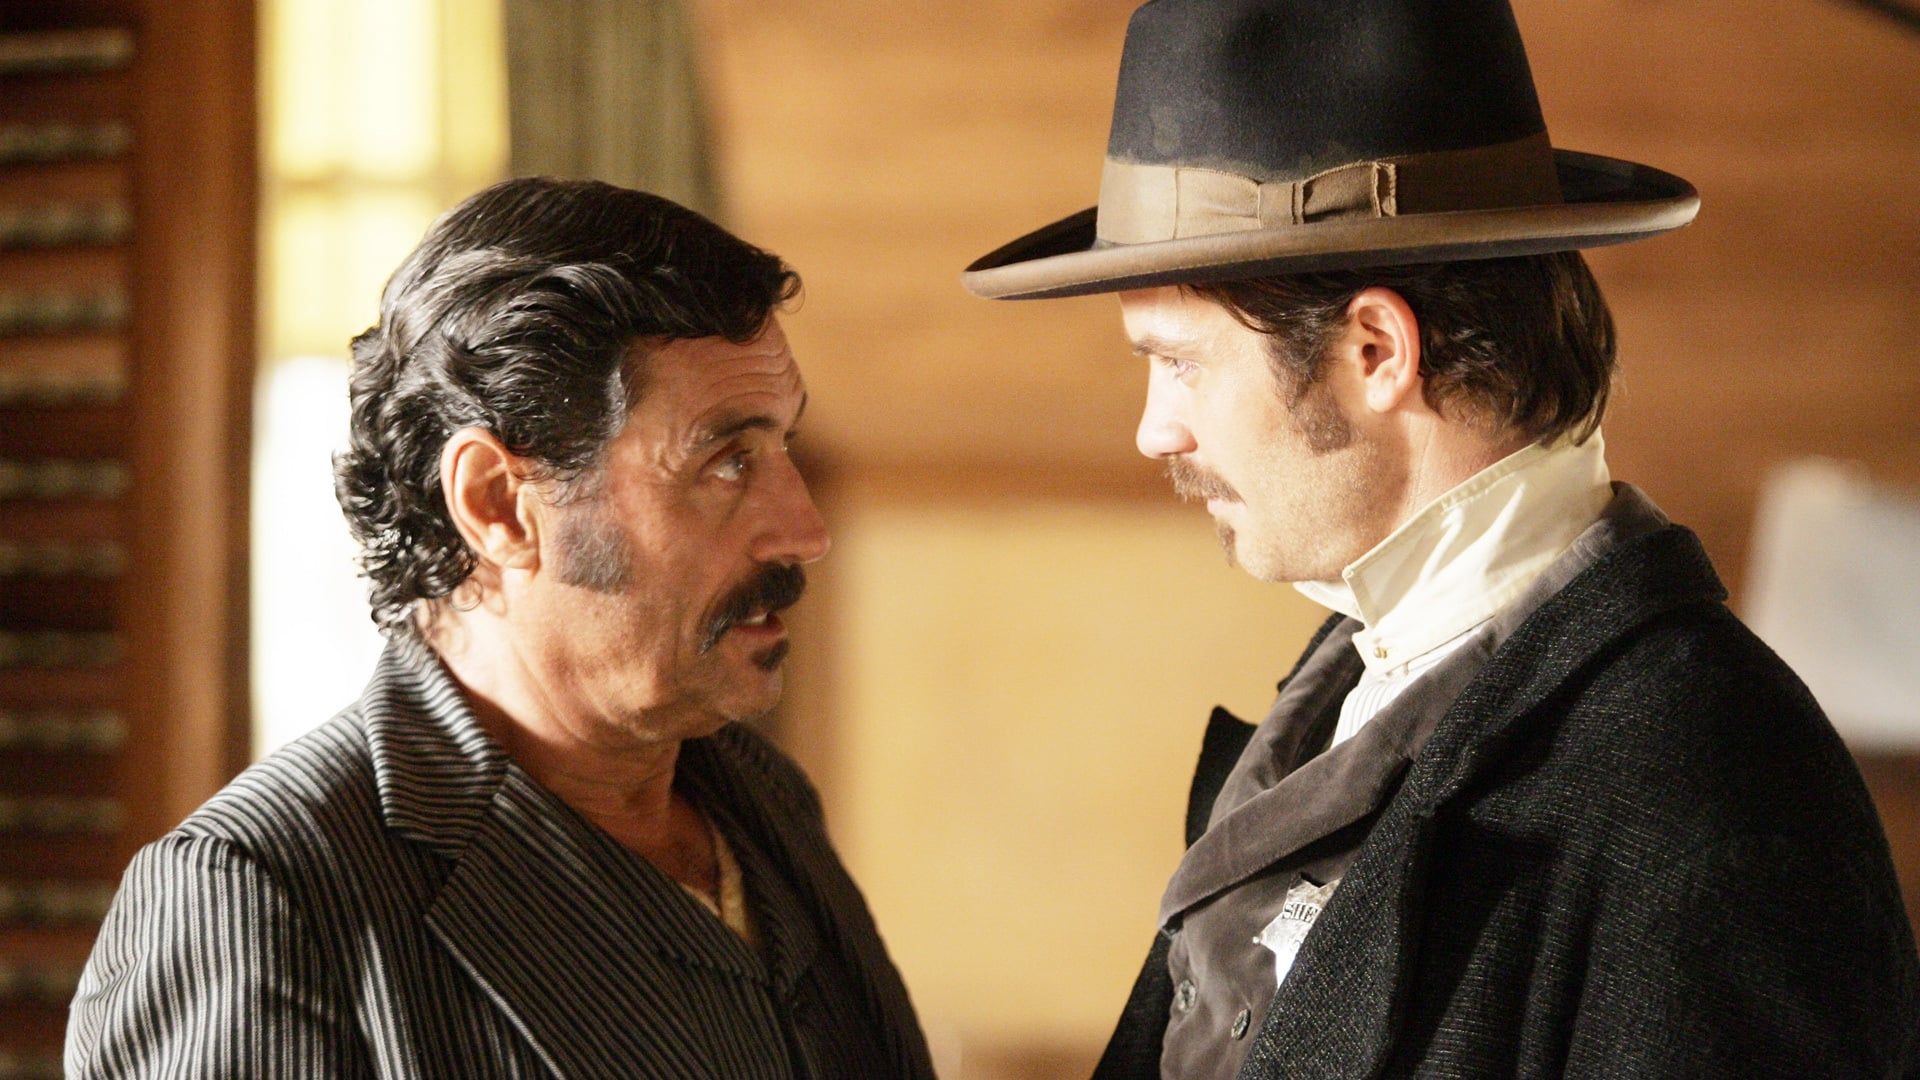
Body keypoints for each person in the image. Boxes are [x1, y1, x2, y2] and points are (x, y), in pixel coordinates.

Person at [964, 1, 1920, 1076]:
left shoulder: (1713, 791)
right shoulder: (1362, 670)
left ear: (1376, 349)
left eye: (1180, 362)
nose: (1154, 430)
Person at [68, 177, 936, 1079]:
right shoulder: (259, 898)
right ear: (496, 503)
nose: (805, 530)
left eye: (782, 446)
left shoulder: (763, 799)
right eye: (726, 461)